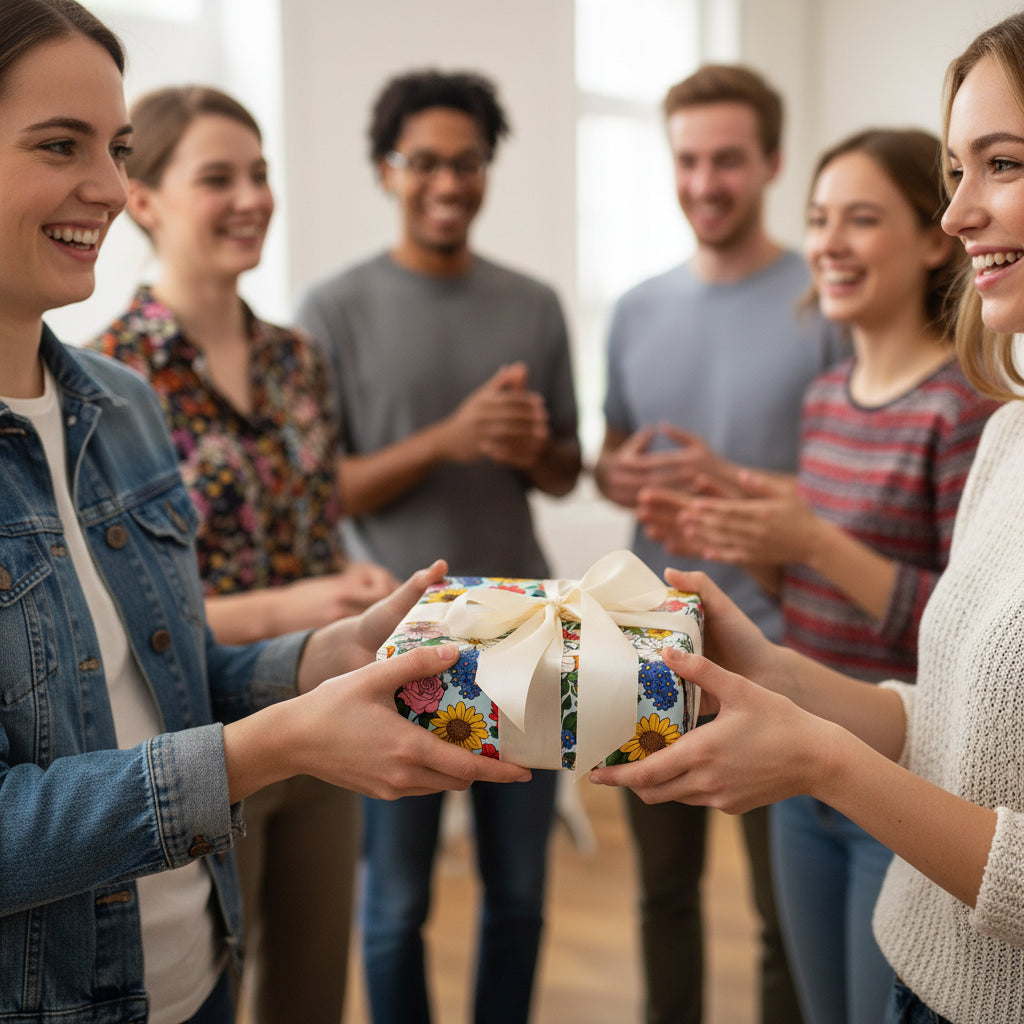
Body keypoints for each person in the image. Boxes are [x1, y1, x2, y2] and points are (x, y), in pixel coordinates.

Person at [0, 5, 531, 1023]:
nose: (109, 187)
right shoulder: (152, 362)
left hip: (198, 961)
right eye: (61, 145)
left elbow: (160, 679)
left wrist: (315, 658)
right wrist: (275, 741)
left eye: (113, 150)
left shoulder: (122, 407)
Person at [591, 12, 1024, 1024]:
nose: (961, 212)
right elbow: (958, 714)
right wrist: (775, 675)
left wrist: (820, 749)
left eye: (998, 163)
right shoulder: (1008, 437)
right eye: (955, 171)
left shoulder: (957, 408)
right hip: (922, 966)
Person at [88, 86, 399, 1024]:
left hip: (331, 709)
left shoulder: (298, 360)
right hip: (202, 740)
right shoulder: (107, 382)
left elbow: (318, 526)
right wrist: (303, 601)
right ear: (142, 198)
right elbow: (131, 624)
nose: (252, 197)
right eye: (217, 177)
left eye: (259, 174)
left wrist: (351, 597)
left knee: (313, 994)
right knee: (211, 990)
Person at [295, 69, 581, 1024]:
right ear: (389, 170)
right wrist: (447, 439)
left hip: (528, 642)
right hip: (400, 641)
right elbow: (320, 486)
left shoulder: (533, 305)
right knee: (396, 902)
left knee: (521, 894)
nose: (448, 183)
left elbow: (564, 469)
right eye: (426, 163)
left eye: (468, 163)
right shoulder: (332, 309)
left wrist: (529, 444)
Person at [594, 63, 844, 1024]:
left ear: (772, 161)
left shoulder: (821, 301)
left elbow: (846, 494)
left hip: (784, 654)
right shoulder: (637, 308)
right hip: (639, 648)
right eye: (689, 160)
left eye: (728, 160)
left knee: (785, 915)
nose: (706, 182)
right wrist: (613, 473)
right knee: (662, 895)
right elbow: (617, 450)